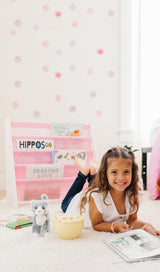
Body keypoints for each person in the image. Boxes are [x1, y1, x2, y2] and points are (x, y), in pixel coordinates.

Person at [61, 147, 160, 236]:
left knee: (97, 185)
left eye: (126, 172)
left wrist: (146, 225)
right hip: (77, 204)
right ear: (105, 174)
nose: (121, 178)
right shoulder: (96, 196)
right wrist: (115, 227)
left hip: (98, 192)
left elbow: (132, 220)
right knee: (64, 205)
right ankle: (82, 174)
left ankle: (91, 171)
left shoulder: (133, 193)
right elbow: (96, 224)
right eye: (114, 172)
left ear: (133, 173)